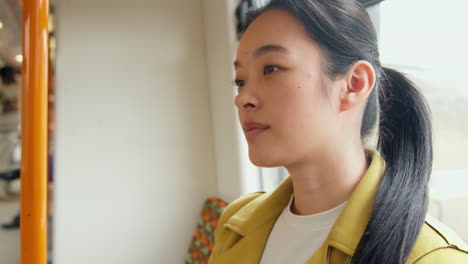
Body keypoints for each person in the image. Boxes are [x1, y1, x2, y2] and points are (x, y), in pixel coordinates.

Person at [208, 0, 468, 263]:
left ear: (354, 85)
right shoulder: (235, 223)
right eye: (240, 81)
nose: (242, 99)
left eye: (271, 69)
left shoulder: (433, 257)